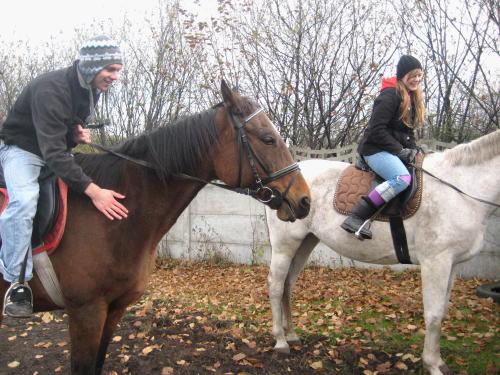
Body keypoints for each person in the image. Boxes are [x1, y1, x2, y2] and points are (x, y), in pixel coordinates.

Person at [0, 35, 129, 318]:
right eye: (111, 69)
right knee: (23, 201)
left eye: (118, 69)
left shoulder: (90, 88)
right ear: (93, 66)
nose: (115, 76)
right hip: (22, 152)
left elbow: (65, 124)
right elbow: (54, 154)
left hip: (51, 150)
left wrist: (75, 131)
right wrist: (95, 192)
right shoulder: (51, 89)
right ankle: (15, 282)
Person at [341, 55, 425, 239]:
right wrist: (400, 150)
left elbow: (404, 132)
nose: (416, 79)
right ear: (403, 75)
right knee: (401, 178)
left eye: (419, 75)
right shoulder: (390, 95)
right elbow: (376, 130)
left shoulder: (410, 97)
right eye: (413, 75)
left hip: (390, 150)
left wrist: (414, 148)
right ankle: (357, 217)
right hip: (374, 149)